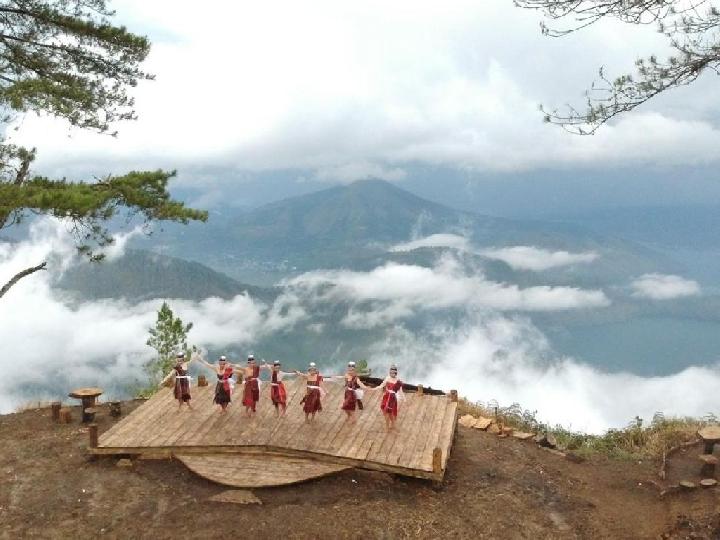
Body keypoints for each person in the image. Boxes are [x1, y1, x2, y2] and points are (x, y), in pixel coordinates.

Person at [377, 364, 404, 431]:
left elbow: (400, 391)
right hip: (386, 396)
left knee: (390, 412)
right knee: (385, 411)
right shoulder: (387, 378)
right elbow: (382, 385)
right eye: (391, 372)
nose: (392, 373)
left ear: (395, 373)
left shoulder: (398, 381)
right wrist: (375, 388)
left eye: (393, 372)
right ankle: (388, 426)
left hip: (392, 398)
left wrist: (404, 398)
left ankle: (392, 425)